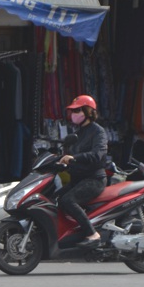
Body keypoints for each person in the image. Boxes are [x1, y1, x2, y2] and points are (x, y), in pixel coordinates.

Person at [57, 95, 108, 246]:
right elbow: (68, 152)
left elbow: (97, 155)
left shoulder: (98, 132)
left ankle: (93, 234)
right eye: (73, 111)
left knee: (68, 200)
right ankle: (72, 233)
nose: (74, 114)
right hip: (78, 179)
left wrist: (74, 157)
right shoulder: (78, 133)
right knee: (55, 198)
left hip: (94, 179)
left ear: (87, 111)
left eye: (77, 110)